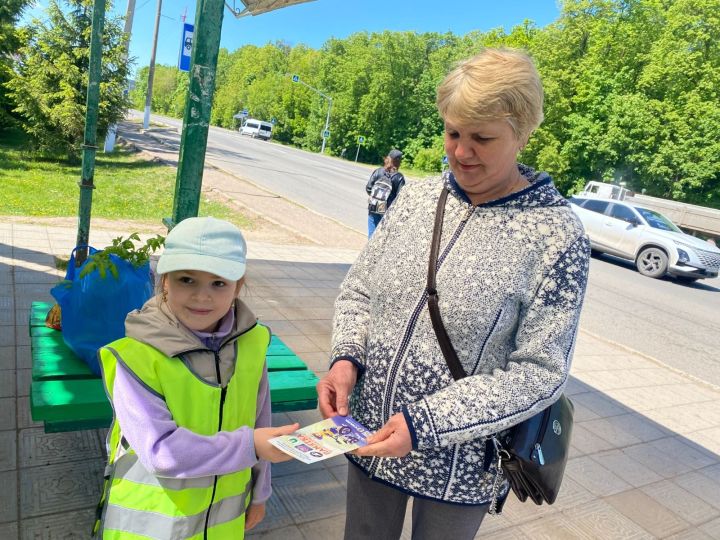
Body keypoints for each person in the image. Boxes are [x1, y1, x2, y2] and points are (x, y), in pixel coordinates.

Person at [317, 48, 590, 539]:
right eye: (453, 133)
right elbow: (359, 290)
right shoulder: (418, 198)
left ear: (523, 132)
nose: (461, 152)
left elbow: (542, 371)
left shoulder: (555, 233)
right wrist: (345, 358)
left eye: (482, 138)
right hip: (369, 434)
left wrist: (428, 423)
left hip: (459, 465)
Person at [93, 217, 299, 539]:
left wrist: (260, 492)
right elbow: (162, 452)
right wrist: (252, 446)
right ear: (164, 281)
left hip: (223, 525)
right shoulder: (135, 357)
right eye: (187, 279)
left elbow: (261, 419)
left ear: (238, 286)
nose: (202, 297)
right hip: (151, 527)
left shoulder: (253, 342)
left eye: (218, 283)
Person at [366, 149, 405, 237]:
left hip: (374, 205)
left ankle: (370, 250)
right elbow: (400, 197)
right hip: (387, 210)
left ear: (388, 158)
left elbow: (368, 188)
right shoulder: (399, 177)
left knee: (371, 235)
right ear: (399, 162)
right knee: (383, 237)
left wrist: (377, 197)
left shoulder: (379, 171)